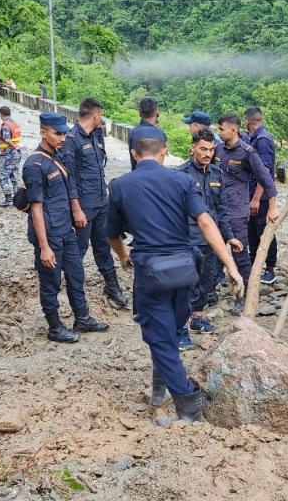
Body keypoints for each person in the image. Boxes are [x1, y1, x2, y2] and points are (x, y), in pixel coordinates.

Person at [107, 127, 245, 424]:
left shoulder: (120, 185)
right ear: (165, 149)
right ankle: (159, 392)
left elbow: (112, 235)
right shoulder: (182, 181)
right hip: (185, 271)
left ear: (133, 153)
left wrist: (123, 257)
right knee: (167, 331)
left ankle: (188, 404)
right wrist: (231, 267)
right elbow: (207, 223)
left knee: (160, 339)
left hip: (152, 275)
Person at [23, 112, 109, 343]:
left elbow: (70, 187)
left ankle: (82, 317)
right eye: (57, 133)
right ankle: (54, 326)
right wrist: (44, 247)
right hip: (49, 234)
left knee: (76, 274)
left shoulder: (59, 156)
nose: (62, 137)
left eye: (64, 133)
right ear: (43, 132)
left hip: (66, 230)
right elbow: (36, 209)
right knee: (50, 282)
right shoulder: (34, 165)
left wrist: (75, 214)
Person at [176, 128, 242, 349]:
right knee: (187, 285)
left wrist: (230, 237)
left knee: (207, 281)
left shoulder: (216, 174)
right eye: (203, 149)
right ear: (192, 148)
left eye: (211, 149)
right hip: (189, 240)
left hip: (212, 242)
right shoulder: (181, 175)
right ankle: (181, 329)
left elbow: (222, 211)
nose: (207, 153)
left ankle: (197, 318)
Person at [59, 98, 128, 307]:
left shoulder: (97, 135)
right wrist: (76, 208)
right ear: (96, 115)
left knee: (103, 246)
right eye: (101, 116)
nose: (103, 120)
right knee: (77, 251)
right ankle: (75, 293)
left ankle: (112, 285)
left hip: (101, 201)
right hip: (83, 206)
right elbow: (68, 177)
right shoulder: (71, 139)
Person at [214, 112, 279, 314]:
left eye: (221, 129)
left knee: (241, 255)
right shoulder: (218, 150)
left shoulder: (247, 152)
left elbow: (267, 180)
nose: (219, 132)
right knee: (214, 251)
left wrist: (272, 207)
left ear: (233, 129)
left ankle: (243, 297)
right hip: (218, 211)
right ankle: (210, 292)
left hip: (237, 211)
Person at [244, 106, 278, 284]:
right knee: (252, 231)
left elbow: (264, 172)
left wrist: (257, 198)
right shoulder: (253, 138)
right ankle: (253, 264)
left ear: (247, 120)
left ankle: (270, 269)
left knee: (264, 232)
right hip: (253, 194)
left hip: (262, 197)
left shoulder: (263, 140)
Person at [0, 106, 23, 208]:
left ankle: (8, 199)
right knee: (15, 175)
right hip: (17, 154)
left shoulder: (6, 125)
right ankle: (17, 198)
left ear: (1, 114)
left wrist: (14, 146)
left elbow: (7, 139)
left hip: (8, 154)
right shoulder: (15, 124)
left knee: (3, 177)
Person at [128, 96, 160, 170]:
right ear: (156, 112)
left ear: (140, 113)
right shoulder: (159, 134)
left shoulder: (133, 133)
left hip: (136, 176)